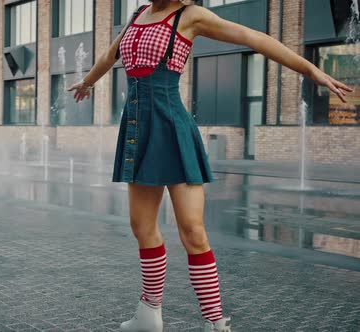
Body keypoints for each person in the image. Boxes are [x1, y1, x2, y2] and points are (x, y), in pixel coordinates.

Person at [67, 1, 353, 331]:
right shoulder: (138, 14)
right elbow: (109, 56)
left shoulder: (190, 16)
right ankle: (149, 313)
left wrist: (310, 69)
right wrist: (87, 81)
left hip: (172, 128)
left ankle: (216, 323)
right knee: (141, 227)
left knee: (193, 231)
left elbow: (253, 38)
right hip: (138, 130)